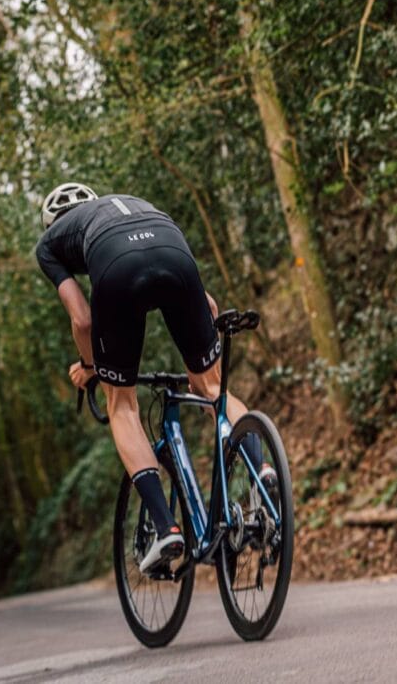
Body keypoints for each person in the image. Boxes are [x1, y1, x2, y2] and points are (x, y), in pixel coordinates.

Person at [34, 183, 275, 573]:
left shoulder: (49, 244)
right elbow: (208, 303)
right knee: (212, 387)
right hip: (173, 250)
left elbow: (83, 319)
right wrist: (203, 357)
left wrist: (91, 367)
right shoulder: (131, 203)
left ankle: (166, 529)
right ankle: (262, 470)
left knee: (122, 406)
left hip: (117, 268)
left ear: (50, 224)